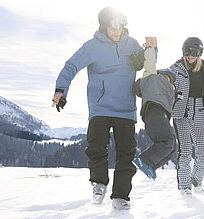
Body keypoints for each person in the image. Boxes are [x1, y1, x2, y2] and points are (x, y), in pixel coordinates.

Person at [52, 7, 156, 210]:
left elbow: (149, 65)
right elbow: (71, 66)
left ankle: (120, 197)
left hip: (126, 108)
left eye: (120, 25)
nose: (117, 30)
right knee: (96, 146)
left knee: (127, 154)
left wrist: (152, 48)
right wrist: (60, 90)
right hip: (100, 107)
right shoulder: (92, 46)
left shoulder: (132, 44)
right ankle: (99, 183)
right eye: (113, 26)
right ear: (104, 27)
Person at [170, 37, 204, 195]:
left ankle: (196, 180)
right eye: (188, 52)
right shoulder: (176, 68)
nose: (191, 56)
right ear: (183, 52)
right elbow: (167, 84)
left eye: (194, 52)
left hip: (200, 110)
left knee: (203, 152)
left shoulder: (203, 68)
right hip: (182, 111)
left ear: (200, 53)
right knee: (185, 151)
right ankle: (185, 186)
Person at [132, 45, 176, 180]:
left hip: (161, 115)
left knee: (172, 147)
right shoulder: (152, 77)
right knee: (168, 141)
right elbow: (150, 62)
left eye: (170, 79)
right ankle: (144, 160)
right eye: (166, 76)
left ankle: (150, 166)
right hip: (154, 110)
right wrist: (151, 47)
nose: (167, 80)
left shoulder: (171, 92)